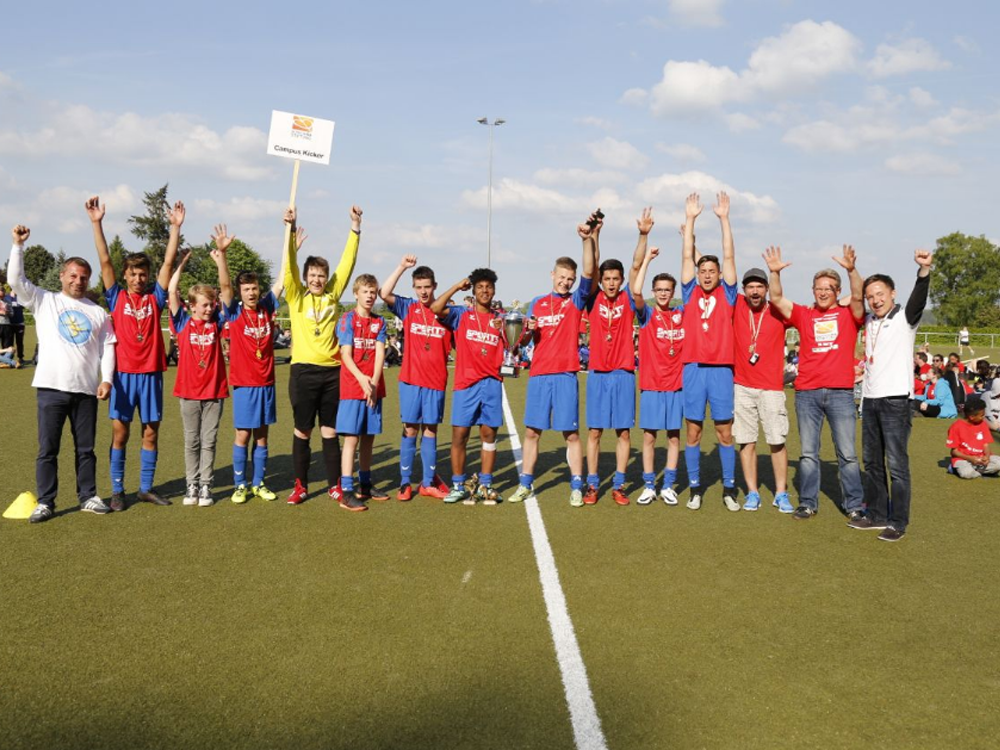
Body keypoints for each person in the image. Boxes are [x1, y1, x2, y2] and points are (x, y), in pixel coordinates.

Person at [8, 224, 116, 522]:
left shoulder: (97, 312)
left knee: (86, 449)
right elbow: (15, 280)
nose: (78, 281)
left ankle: (89, 496)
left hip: (85, 390)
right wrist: (18, 245)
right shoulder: (45, 300)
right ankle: (46, 501)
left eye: (83, 277)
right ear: (62, 277)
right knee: (48, 449)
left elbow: (108, 346)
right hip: (51, 387)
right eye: (73, 276)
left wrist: (106, 378)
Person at [87, 195, 180, 511]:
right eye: (133, 274)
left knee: (151, 434)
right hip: (123, 376)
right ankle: (117, 490)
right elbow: (104, 262)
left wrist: (175, 229)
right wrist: (97, 223)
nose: (138, 278)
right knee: (120, 433)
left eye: (143, 274)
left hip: (151, 374)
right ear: (125, 276)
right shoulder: (115, 297)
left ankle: (145, 488)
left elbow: (168, 264)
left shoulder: (156, 298)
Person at [764, 244, 866, 521]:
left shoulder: (849, 315)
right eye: (819, 288)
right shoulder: (804, 314)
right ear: (813, 291)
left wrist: (851, 269)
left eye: (829, 288)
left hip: (841, 393)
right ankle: (808, 503)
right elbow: (776, 298)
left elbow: (858, 294)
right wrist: (774, 273)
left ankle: (855, 504)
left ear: (837, 291)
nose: (823, 292)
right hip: (807, 393)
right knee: (809, 454)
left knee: (847, 454)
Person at [507, 212, 596, 506]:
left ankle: (576, 485)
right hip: (540, 375)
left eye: (570, 279)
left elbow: (588, 271)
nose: (566, 282)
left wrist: (586, 240)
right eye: (562, 277)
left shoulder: (575, 300)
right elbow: (526, 340)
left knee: (570, 433)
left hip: (566, 375)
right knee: (532, 431)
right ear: (552, 275)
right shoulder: (537, 303)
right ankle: (525, 484)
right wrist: (528, 331)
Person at [283, 205, 362, 505]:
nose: (317, 279)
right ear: (305, 278)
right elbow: (289, 266)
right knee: (303, 430)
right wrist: (290, 232)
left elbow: (347, 264)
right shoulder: (295, 295)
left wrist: (355, 228)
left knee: (330, 431)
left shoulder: (332, 293)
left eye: (321, 275)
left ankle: (334, 486)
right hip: (302, 371)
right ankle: (300, 486)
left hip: (332, 372)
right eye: (312, 275)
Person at [852, 249, 932, 542]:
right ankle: (876, 514)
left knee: (897, 464)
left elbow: (918, 299)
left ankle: (898, 521)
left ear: (892, 293)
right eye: (871, 295)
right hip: (870, 400)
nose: (875, 299)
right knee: (872, 462)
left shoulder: (905, 319)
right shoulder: (869, 320)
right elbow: (855, 299)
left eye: (880, 293)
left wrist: (923, 272)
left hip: (897, 400)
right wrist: (853, 271)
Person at [582, 208, 652, 506]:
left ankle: (620, 485)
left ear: (621, 280)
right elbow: (592, 265)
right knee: (595, 432)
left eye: (615, 279)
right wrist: (595, 233)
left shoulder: (626, 297)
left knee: (623, 432)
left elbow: (637, 265)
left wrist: (643, 235)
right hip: (598, 372)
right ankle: (592, 484)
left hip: (623, 373)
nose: (610, 283)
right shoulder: (594, 297)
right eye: (607, 278)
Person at [217, 222, 288, 505]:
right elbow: (223, 286)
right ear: (240, 291)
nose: (251, 293)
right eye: (246, 289)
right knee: (243, 434)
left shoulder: (267, 308)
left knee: (262, 436)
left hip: (266, 383)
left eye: (254, 288)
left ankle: (258, 483)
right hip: (245, 385)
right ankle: (240, 485)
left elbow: (282, 280)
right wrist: (222, 254)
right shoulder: (233, 313)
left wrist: (290, 241)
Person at [678, 192, 739, 511]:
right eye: (703, 270)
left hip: (720, 370)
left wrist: (723, 218)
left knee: (724, 431)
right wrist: (690, 219)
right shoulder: (688, 291)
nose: (706, 274)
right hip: (693, 369)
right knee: (693, 430)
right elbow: (687, 258)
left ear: (718, 274)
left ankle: (729, 488)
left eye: (711, 271)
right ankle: (695, 487)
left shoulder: (727, 294)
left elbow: (729, 258)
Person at [379, 256, 453, 500]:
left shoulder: (446, 312)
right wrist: (402, 267)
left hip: (435, 382)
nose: (423, 291)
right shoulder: (407, 307)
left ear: (435, 286)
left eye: (427, 287)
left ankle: (428, 482)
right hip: (411, 380)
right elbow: (384, 292)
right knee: (410, 430)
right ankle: (404, 482)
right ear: (414, 288)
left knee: (430, 430)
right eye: (419, 287)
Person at [168, 249, 229, 507]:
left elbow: (226, 292)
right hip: (189, 392)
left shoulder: (217, 322)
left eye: (211, 304)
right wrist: (180, 264)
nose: (209, 308)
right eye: (204, 304)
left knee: (209, 440)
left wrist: (220, 261)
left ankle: (206, 486)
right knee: (191, 440)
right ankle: (191, 484)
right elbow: (172, 292)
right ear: (191, 306)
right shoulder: (181, 322)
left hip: (214, 392)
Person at [731, 266, 794, 513]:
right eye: (750, 287)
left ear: (767, 289)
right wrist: (691, 238)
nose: (754, 291)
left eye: (759, 286)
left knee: (776, 441)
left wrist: (775, 273)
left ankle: (781, 493)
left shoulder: (778, 310)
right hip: (742, 386)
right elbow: (715, 273)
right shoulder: (737, 305)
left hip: (771, 387)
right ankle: (753, 492)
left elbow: (811, 309)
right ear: (743, 290)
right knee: (746, 441)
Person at [631, 243, 685, 505]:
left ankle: (668, 485)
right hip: (652, 385)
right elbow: (635, 291)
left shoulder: (682, 315)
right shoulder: (647, 315)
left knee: (674, 436)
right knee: (650, 437)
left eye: (668, 290)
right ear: (654, 292)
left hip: (676, 385)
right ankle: (649, 485)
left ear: (673, 293)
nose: (663, 294)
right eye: (659, 290)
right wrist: (647, 262)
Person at [336, 274, 389, 511]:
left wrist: (374, 383)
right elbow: (345, 354)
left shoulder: (380, 322)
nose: (370, 296)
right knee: (352, 438)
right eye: (365, 291)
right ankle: (346, 490)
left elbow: (380, 353)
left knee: (369, 436)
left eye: (373, 292)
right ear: (356, 293)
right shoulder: (347, 319)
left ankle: (365, 484)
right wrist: (362, 380)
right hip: (352, 387)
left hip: (374, 388)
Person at [947, 397, 1000, 478]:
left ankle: (976, 469)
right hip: (963, 459)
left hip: (980, 457)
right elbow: (954, 452)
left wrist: (987, 457)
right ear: (972, 417)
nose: (983, 417)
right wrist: (971, 458)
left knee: (998, 464)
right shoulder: (956, 427)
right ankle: (955, 468)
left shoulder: (983, 424)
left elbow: (985, 445)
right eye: (982, 415)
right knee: (967, 474)